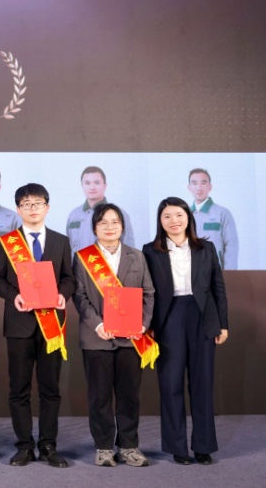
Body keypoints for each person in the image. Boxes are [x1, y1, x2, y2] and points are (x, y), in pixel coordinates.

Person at [0, 183, 75, 468]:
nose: (32, 208)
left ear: (47, 207)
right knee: (19, 389)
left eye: (37, 203)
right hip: (19, 324)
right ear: (18, 209)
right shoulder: (7, 242)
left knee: (50, 389)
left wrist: (63, 294)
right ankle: (24, 446)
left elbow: (69, 278)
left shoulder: (61, 241)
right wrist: (13, 296)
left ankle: (48, 445)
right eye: (26, 204)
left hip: (51, 326)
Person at [143, 197, 228, 465]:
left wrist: (223, 324)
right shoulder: (150, 251)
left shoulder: (206, 248)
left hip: (202, 317)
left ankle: (203, 446)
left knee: (202, 384)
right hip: (168, 318)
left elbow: (218, 287)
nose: (174, 221)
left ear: (188, 218)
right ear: (160, 221)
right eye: (167, 216)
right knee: (170, 384)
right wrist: (148, 325)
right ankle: (177, 447)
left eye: (179, 215)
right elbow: (146, 291)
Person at [71, 203, 155, 468]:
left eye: (115, 222)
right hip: (97, 337)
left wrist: (143, 324)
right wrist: (97, 324)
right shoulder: (83, 257)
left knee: (129, 395)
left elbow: (149, 293)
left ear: (122, 226)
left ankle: (129, 446)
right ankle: (104, 447)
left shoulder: (137, 256)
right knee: (99, 396)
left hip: (131, 338)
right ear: (94, 227)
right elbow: (79, 296)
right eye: (103, 222)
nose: (109, 227)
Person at [66, 166, 136, 253]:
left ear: (105, 186)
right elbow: (68, 248)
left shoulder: (119, 214)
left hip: (107, 262)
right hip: (78, 261)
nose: (92, 187)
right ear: (82, 186)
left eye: (97, 183)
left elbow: (129, 251)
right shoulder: (74, 215)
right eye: (87, 183)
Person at [187, 168, 239, 269]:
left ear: (210, 187)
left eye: (203, 183)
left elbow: (231, 245)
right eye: (194, 183)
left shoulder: (222, 213)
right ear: (189, 187)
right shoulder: (184, 215)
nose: (199, 188)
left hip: (215, 271)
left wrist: (229, 274)